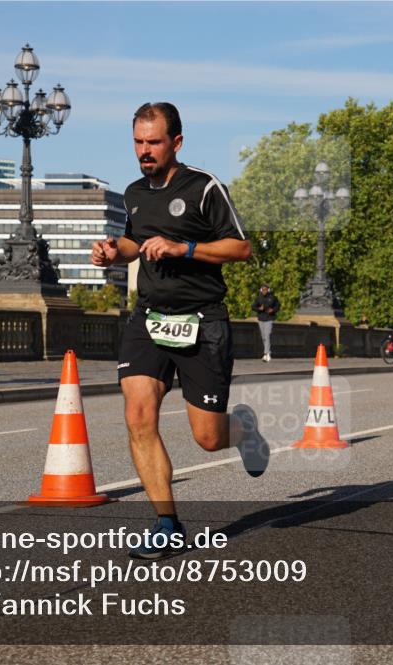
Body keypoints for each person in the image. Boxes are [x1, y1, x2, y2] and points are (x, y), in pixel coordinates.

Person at [91, 102, 269, 558]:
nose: (144, 151)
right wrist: (115, 250)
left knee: (208, 438)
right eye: (138, 142)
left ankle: (242, 430)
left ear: (177, 142)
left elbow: (242, 248)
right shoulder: (133, 192)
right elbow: (134, 240)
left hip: (202, 320)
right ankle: (166, 523)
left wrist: (183, 247)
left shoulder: (203, 187)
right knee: (138, 414)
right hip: (149, 317)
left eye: (153, 142)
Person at [252, 284, 280, 362]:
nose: (264, 291)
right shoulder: (258, 298)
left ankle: (266, 353)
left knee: (267, 335)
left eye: (266, 290)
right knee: (263, 336)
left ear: (268, 290)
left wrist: (273, 310)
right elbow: (253, 307)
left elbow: (278, 306)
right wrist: (259, 309)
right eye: (263, 290)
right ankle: (267, 352)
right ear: (261, 290)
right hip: (261, 319)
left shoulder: (273, 297)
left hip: (269, 318)